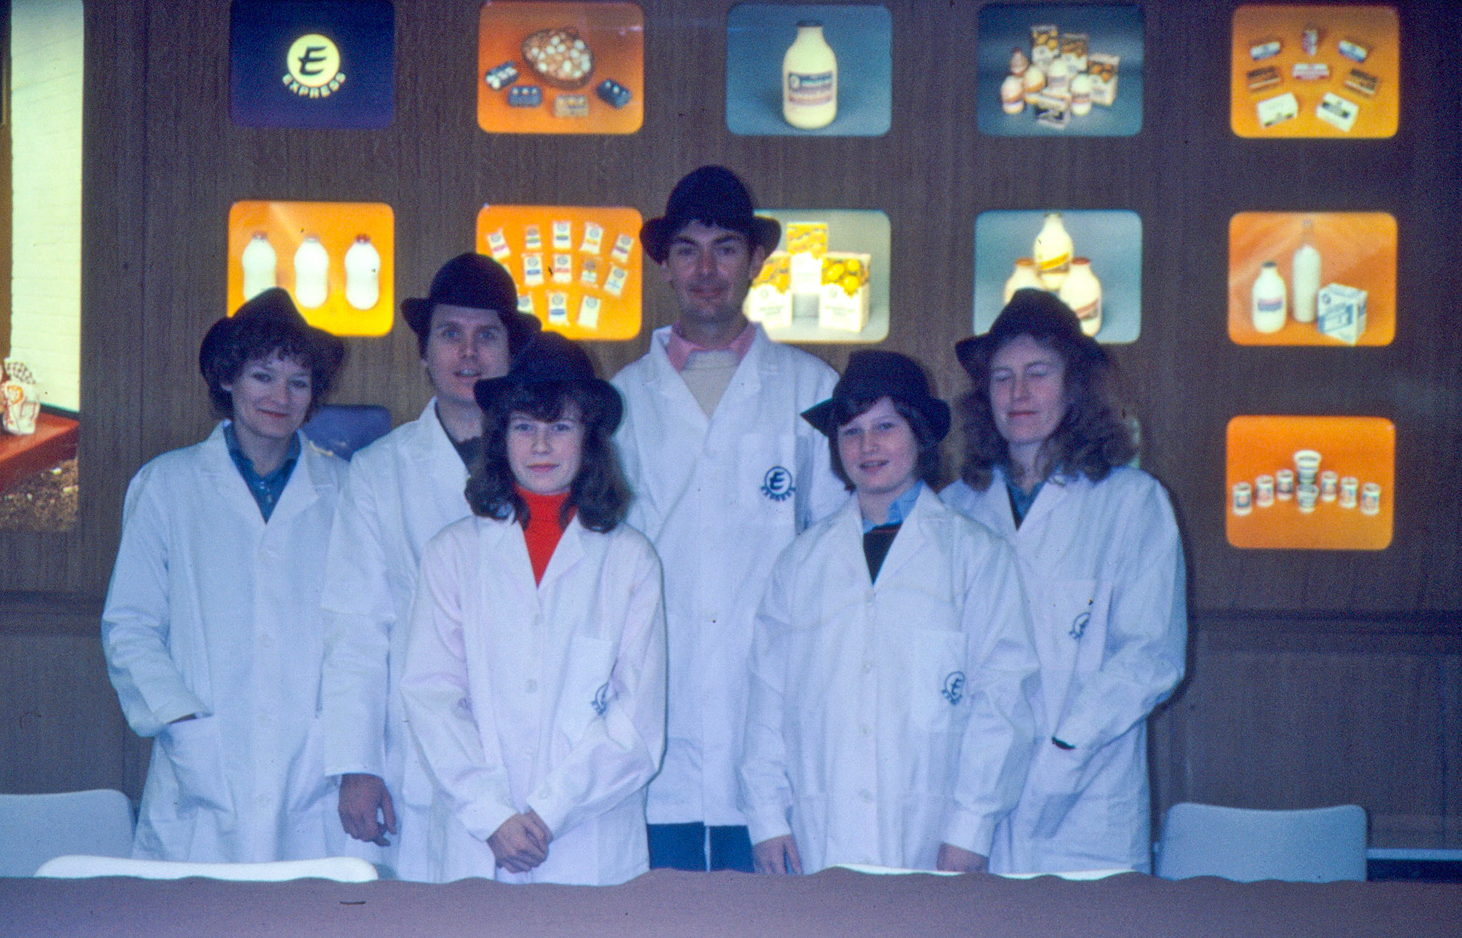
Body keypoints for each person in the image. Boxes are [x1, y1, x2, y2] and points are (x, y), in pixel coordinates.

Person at [611, 165, 850, 871]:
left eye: (725, 247)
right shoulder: (620, 403)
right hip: (657, 725)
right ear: (664, 264)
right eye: (687, 248)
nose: (706, 268)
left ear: (756, 259)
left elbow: (837, 562)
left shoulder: (813, 391)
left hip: (773, 729)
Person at [743, 351, 1039, 875]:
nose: (868, 445)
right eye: (851, 431)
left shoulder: (974, 555)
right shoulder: (801, 561)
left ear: (920, 434)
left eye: (886, 426)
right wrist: (767, 815)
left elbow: (1002, 700)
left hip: (933, 831)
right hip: (820, 828)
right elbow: (768, 696)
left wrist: (970, 827)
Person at [402, 332, 666, 885]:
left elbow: (635, 722)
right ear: (500, 438)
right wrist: (493, 815)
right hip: (479, 841)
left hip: (586, 842)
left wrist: (547, 813)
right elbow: (432, 696)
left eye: (560, 427)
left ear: (589, 439)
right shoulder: (453, 553)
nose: (541, 446)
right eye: (524, 426)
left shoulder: (629, 560)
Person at [942, 288, 1188, 874]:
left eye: (1037, 373)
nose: (1018, 393)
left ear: (1074, 385)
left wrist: (1064, 748)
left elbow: (1150, 656)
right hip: (972, 807)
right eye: (1001, 378)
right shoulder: (955, 507)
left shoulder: (1133, 503)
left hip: (1088, 799)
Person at [101, 289, 349, 862]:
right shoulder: (166, 485)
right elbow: (130, 626)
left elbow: (359, 631)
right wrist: (183, 720)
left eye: (298, 382)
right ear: (228, 380)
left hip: (310, 770)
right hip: (201, 769)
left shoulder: (346, 491)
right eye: (262, 375)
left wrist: (331, 726)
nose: (278, 396)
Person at [320, 252, 540, 881]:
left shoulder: (549, 459)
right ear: (423, 352)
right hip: (414, 753)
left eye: (487, 335)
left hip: (527, 750)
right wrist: (357, 765)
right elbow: (355, 628)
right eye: (450, 333)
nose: (468, 353)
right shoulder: (379, 472)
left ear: (510, 351)